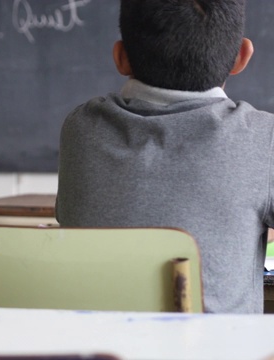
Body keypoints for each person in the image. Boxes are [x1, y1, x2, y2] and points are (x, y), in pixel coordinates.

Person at [55, 0, 273, 313]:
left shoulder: (81, 127)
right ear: (241, 56)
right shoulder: (262, 138)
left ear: (120, 57)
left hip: (95, 347)